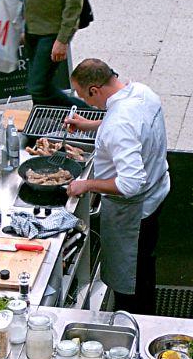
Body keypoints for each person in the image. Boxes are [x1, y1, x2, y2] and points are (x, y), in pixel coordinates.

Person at [65, 58, 170, 314]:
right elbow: (128, 125)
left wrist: (87, 184)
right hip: (156, 198)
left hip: (132, 217)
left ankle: (134, 328)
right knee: (143, 271)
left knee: (130, 288)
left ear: (94, 90)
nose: (86, 102)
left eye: (83, 96)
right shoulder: (143, 92)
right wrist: (90, 126)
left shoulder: (118, 125)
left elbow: (130, 183)